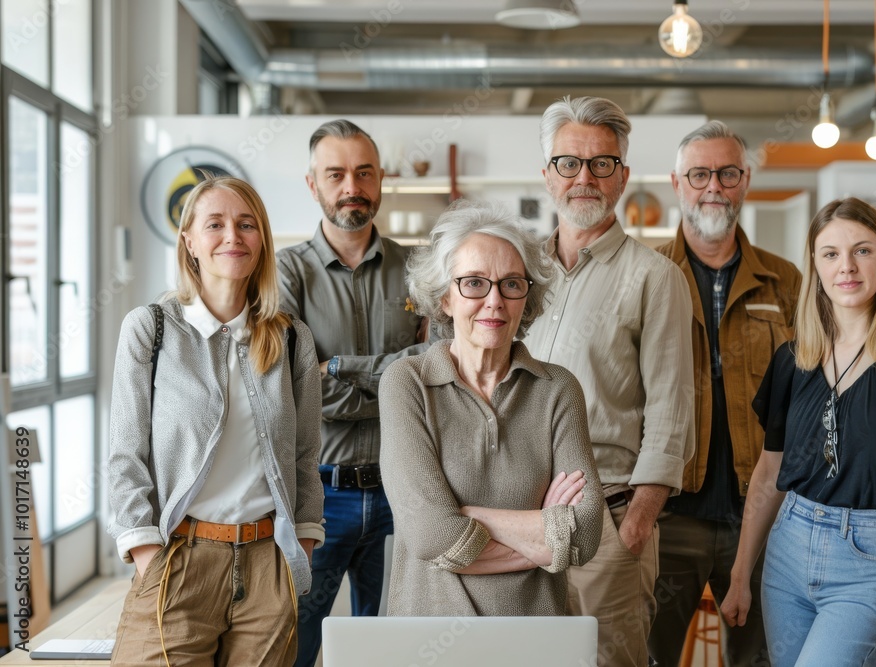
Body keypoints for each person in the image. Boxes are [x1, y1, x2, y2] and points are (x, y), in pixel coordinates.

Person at [720, 197, 876, 667]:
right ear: (814, 266)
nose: (847, 267)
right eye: (830, 253)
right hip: (786, 553)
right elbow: (769, 474)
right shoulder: (793, 360)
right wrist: (739, 574)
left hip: (867, 561)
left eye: (863, 250)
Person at [107, 176, 324, 666]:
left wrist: (302, 548)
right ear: (189, 242)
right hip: (179, 559)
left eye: (247, 224)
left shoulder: (291, 339)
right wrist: (148, 558)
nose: (233, 235)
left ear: (262, 239)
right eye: (216, 224)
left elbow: (306, 455)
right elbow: (125, 454)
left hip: (268, 565)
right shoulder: (151, 328)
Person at [525, 95, 696, 667]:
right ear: (547, 175)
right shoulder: (517, 272)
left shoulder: (655, 278)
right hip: (520, 519)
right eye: (568, 163)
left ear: (622, 176)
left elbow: (672, 411)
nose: (584, 179)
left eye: (602, 163)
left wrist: (636, 526)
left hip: (608, 520)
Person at [378, 200, 604, 615]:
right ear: (445, 297)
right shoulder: (406, 382)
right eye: (474, 283)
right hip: (429, 634)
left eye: (511, 283)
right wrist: (546, 535)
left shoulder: (558, 389)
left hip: (535, 635)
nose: (495, 301)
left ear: (526, 297)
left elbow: (586, 534)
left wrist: (465, 516)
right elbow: (430, 533)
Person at [277, 119, 429, 667]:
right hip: (320, 496)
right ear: (312, 183)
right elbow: (294, 387)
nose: (352, 186)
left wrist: (335, 367)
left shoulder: (418, 268)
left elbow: (439, 369)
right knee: (299, 639)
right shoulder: (285, 273)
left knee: (397, 641)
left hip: (406, 490)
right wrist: (397, 378)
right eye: (336, 173)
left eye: (364, 172)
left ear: (381, 179)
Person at [649, 120, 800, 667]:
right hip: (667, 517)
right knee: (648, 656)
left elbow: (811, 398)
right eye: (700, 173)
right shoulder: (646, 277)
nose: (714, 185)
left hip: (762, 518)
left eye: (727, 172)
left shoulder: (788, 283)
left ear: (746, 180)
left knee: (760, 660)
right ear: (676, 183)